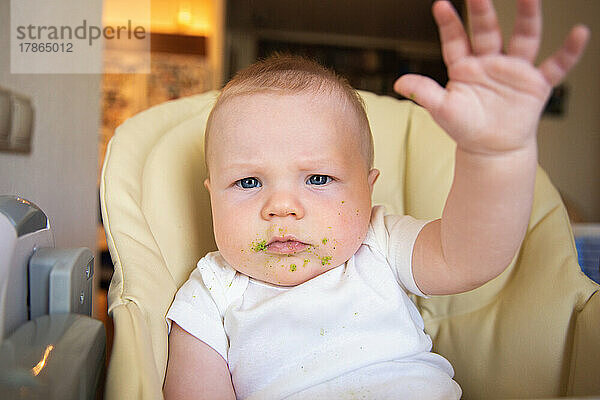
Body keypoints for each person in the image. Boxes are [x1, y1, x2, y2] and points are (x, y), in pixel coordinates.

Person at [163, 0, 589, 398]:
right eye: (249, 183)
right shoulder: (212, 290)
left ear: (368, 191)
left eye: (317, 177)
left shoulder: (378, 243)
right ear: (212, 197)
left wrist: (496, 155)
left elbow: (471, 258)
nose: (282, 207)